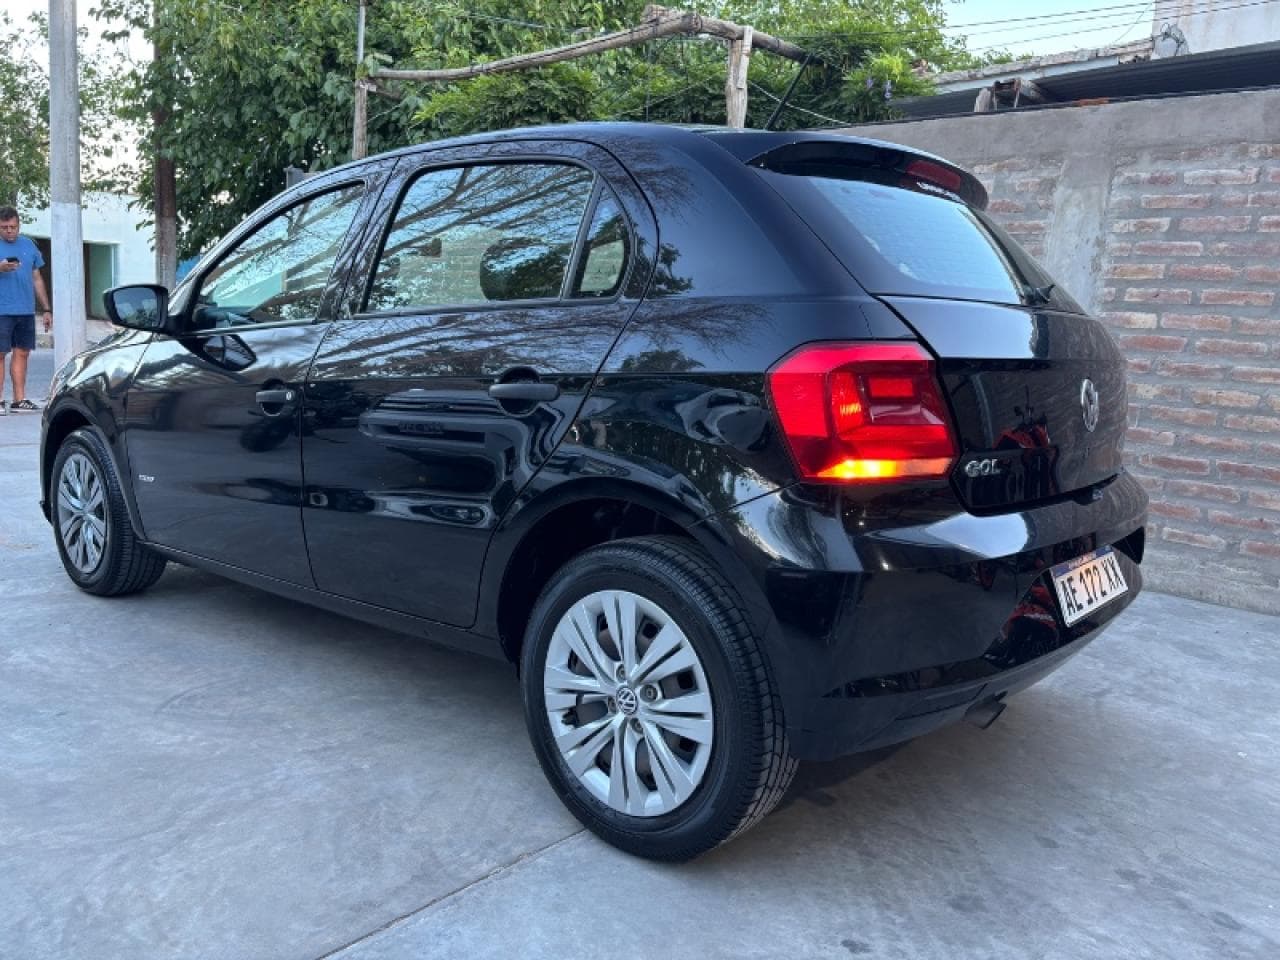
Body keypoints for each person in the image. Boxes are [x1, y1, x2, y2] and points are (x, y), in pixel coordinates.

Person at [0, 205, 53, 414]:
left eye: (12, 227)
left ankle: (19, 400)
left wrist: (46, 309)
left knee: (22, 353)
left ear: (19, 225)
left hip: (25, 310)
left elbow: (37, 278)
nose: (9, 231)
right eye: (4, 227)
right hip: (2, 310)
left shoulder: (28, 245)